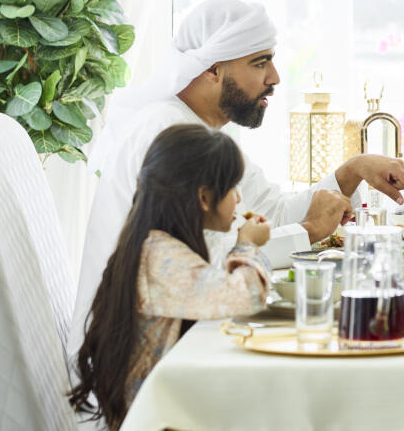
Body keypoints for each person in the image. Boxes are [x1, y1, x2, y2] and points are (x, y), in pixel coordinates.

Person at [76, 0, 404, 337]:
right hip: (144, 353)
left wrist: (352, 171)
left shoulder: (203, 129)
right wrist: (308, 229)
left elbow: (271, 211)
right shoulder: (169, 133)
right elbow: (213, 258)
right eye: (260, 63)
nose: (274, 77)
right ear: (213, 68)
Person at [69, 124, 274, 430]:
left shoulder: (153, 244)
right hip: (155, 418)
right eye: (232, 187)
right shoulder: (160, 258)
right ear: (204, 197)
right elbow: (245, 296)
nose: (239, 198)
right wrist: (248, 245)